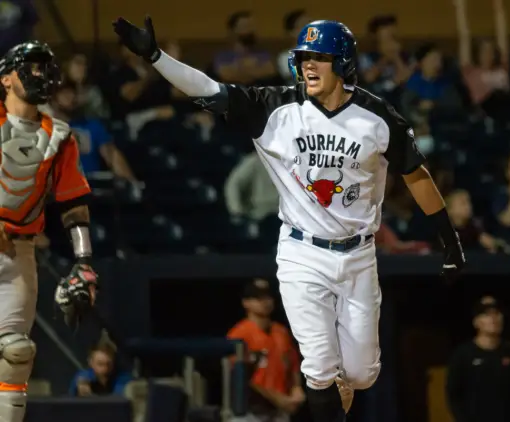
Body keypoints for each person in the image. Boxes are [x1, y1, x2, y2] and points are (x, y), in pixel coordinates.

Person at [113, 17, 465, 422]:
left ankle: (340, 389)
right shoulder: (274, 107)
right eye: (303, 58)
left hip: (359, 256)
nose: (309, 65)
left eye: (320, 57)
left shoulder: (376, 116)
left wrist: (449, 241)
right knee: (318, 367)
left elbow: (416, 174)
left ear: (344, 63)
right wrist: (156, 57)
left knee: (361, 374)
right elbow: (208, 89)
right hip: (302, 253)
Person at [0, 41, 99, 422]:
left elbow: (73, 201)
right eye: (30, 66)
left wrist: (84, 260)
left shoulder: (59, 135)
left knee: (16, 352)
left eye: (44, 67)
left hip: (19, 253)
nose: (39, 74)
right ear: (6, 78)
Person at [227, 279, 305, 422]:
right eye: (258, 297)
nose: (265, 301)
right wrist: (277, 398)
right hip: (249, 412)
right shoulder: (239, 334)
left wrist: (296, 389)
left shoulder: (281, 332)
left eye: (267, 296)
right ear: (246, 303)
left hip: (279, 411)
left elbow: (293, 365)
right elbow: (240, 378)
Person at [446, 296, 510, 422]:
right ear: (476, 322)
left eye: (496, 313)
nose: (493, 318)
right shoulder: (463, 355)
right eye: (486, 314)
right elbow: (454, 396)